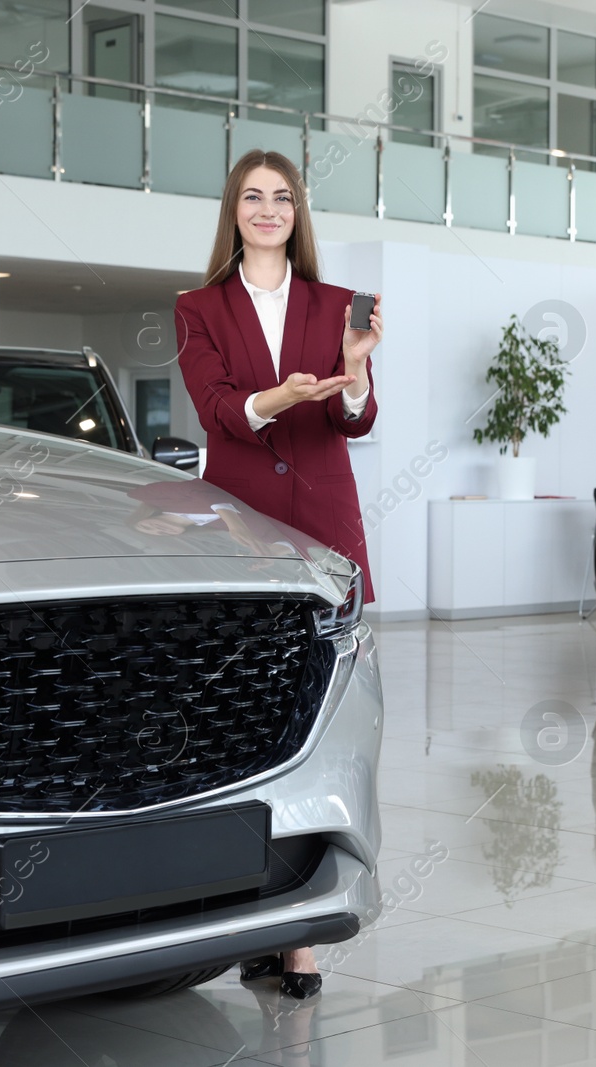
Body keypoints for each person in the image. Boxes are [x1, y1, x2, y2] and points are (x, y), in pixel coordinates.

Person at [174, 149, 381, 998]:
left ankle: (300, 938)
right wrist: (278, 398)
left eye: (282, 198)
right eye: (254, 198)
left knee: (325, 718)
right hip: (240, 525)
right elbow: (217, 408)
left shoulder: (337, 304)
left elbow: (356, 419)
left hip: (325, 524)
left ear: (298, 213)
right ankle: (249, 909)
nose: (268, 210)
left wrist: (355, 371)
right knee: (241, 723)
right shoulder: (197, 307)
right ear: (234, 210)